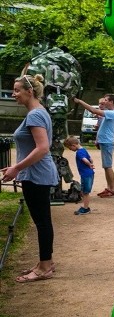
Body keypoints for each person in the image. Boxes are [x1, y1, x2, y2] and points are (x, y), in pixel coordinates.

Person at [3, 74, 59, 282]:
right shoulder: (39, 112)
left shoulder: (35, 115)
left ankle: (45, 266)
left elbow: (42, 148)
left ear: (30, 91)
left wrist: (16, 168)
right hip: (37, 174)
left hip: (36, 176)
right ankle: (45, 262)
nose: (13, 94)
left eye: (17, 90)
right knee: (43, 221)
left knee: (42, 222)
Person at [74, 93, 114, 197]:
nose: (104, 102)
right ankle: (109, 188)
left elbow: (93, 110)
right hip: (105, 141)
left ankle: (112, 189)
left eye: (106, 100)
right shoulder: (110, 112)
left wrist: (80, 101)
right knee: (106, 166)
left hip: (107, 142)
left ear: (111, 102)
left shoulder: (113, 113)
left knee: (108, 166)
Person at [63, 135, 95, 215]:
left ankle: (85, 208)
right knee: (85, 191)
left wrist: (89, 164)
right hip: (90, 173)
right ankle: (85, 207)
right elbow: (90, 158)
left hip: (85, 174)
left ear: (73, 145)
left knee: (85, 192)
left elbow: (84, 160)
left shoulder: (79, 152)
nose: (71, 150)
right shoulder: (84, 149)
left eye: (70, 148)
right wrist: (91, 163)